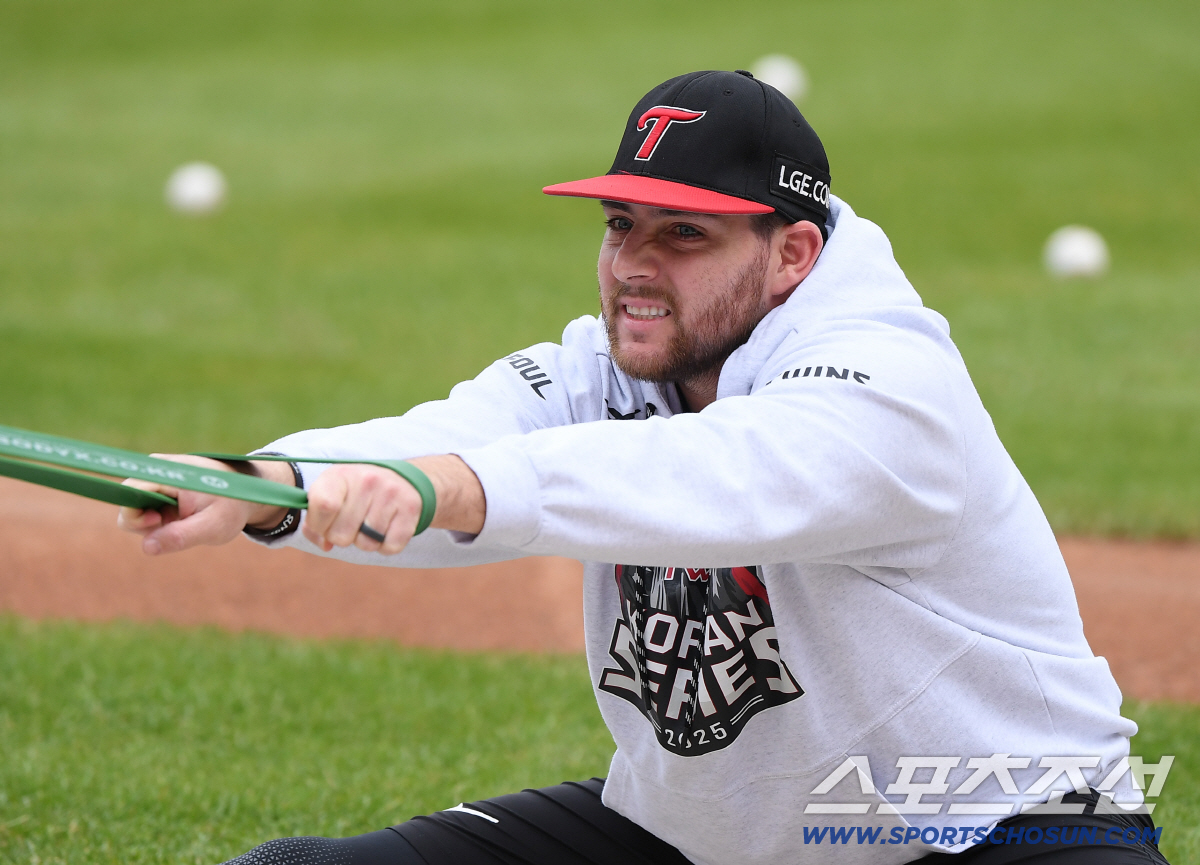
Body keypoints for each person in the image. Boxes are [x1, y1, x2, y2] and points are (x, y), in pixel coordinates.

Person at [119, 71, 1168, 865]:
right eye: (620, 225)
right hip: (698, 842)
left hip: (1005, 831)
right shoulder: (607, 363)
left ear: (792, 254)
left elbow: (716, 475)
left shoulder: (890, 383)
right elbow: (449, 431)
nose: (631, 264)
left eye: (682, 235)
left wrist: (465, 485)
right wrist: (260, 486)